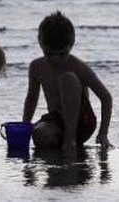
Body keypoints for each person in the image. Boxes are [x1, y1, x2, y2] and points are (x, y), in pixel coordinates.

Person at [23, 12, 113, 152]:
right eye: (49, 54)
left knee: (68, 79)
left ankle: (70, 139)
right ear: (40, 43)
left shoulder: (76, 66)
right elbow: (31, 98)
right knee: (39, 134)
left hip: (81, 122)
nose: (56, 60)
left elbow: (106, 97)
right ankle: (60, 141)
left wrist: (103, 133)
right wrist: (24, 125)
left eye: (62, 54)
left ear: (72, 44)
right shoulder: (36, 67)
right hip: (56, 120)